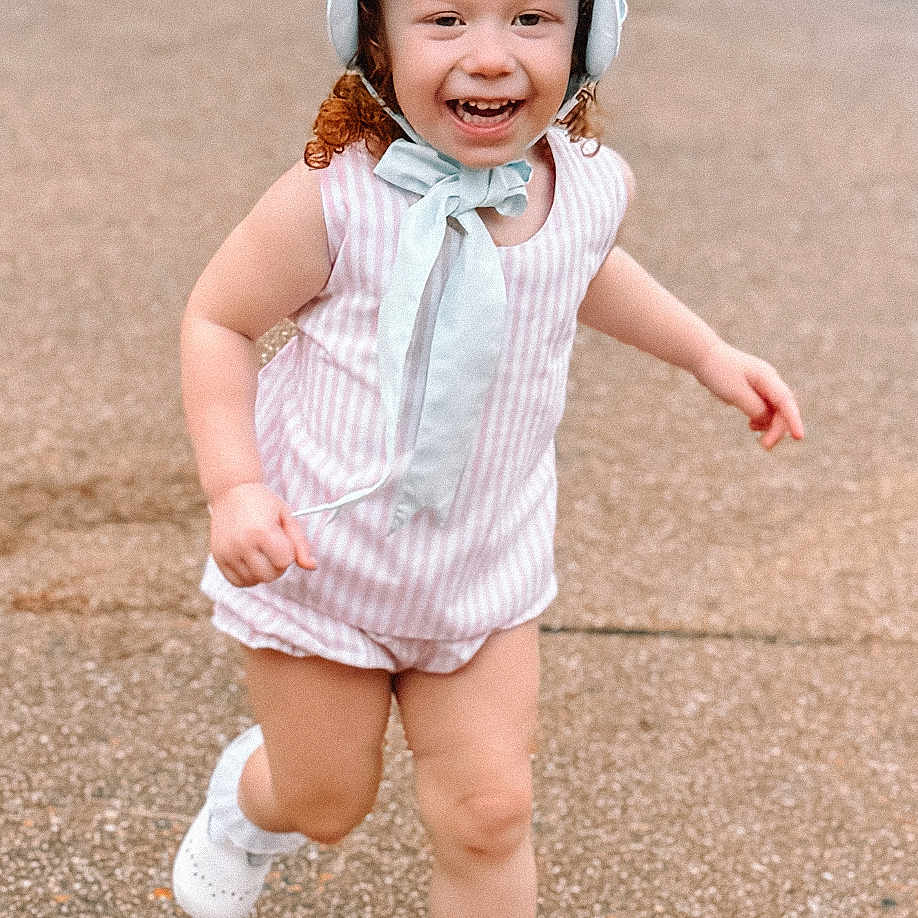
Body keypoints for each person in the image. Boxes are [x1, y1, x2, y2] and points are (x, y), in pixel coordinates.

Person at [171, 0, 805, 916]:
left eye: (532, 18)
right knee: (325, 801)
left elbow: (582, 266)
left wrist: (709, 353)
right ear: (375, 40)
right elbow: (217, 320)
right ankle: (244, 807)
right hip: (318, 561)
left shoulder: (588, 185)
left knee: (490, 814)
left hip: (482, 565)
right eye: (446, 20)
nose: (492, 56)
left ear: (590, 39)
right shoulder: (331, 200)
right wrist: (234, 486)